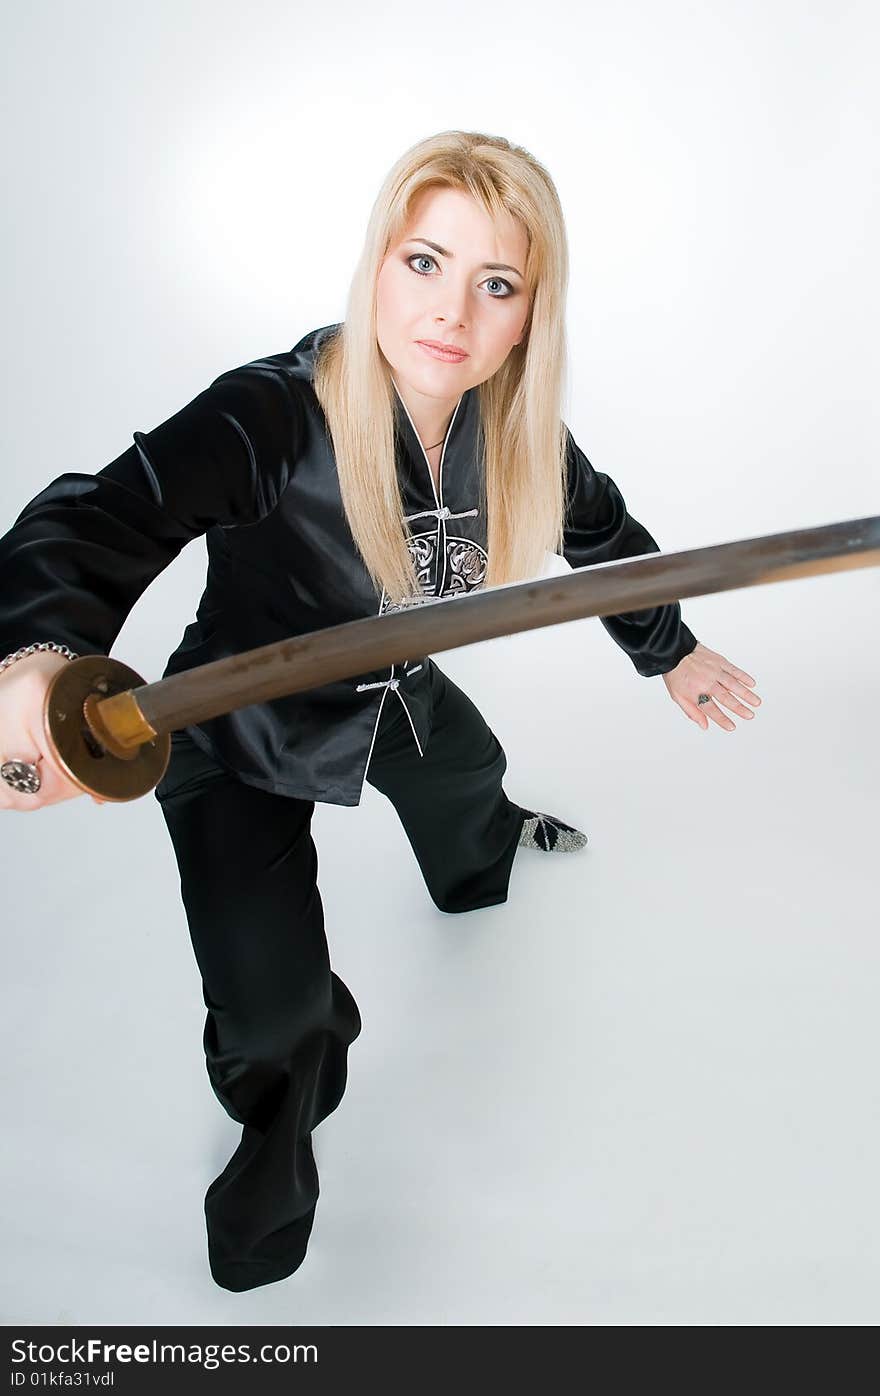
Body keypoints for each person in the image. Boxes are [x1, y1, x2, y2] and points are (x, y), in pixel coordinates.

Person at [0, 130, 761, 1292]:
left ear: (524, 318)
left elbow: (601, 537)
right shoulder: (271, 413)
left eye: (494, 283)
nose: (451, 309)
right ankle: (274, 1149)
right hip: (233, 727)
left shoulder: (513, 433)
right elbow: (97, 520)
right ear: (376, 265)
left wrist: (671, 651)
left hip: (396, 691)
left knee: (469, 777)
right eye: (424, 262)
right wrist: (37, 663)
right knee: (277, 1017)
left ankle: (486, 848)